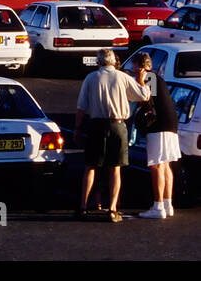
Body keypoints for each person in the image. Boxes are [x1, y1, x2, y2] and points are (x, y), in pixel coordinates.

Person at [75, 48, 152, 221]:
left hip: (96, 125)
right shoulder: (122, 77)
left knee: (91, 166)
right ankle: (112, 209)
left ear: (99, 62)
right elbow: (143, 95)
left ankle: (83, 207)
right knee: (115, 168)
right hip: (118, 125)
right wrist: (141, 79)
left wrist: (77, 128)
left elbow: (81, 107)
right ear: (113, 61)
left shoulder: (91, 78)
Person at [127, 52, 180, 219]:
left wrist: (140, 81)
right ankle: (167, 204)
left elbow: (146, 99)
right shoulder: (158, 78)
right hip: (171, 124)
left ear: (141, 66)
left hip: (159, 126)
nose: (132, 70)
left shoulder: (150, 78)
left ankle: (158, 207)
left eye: (134, 66)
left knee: (156, 165)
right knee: (165, 164)